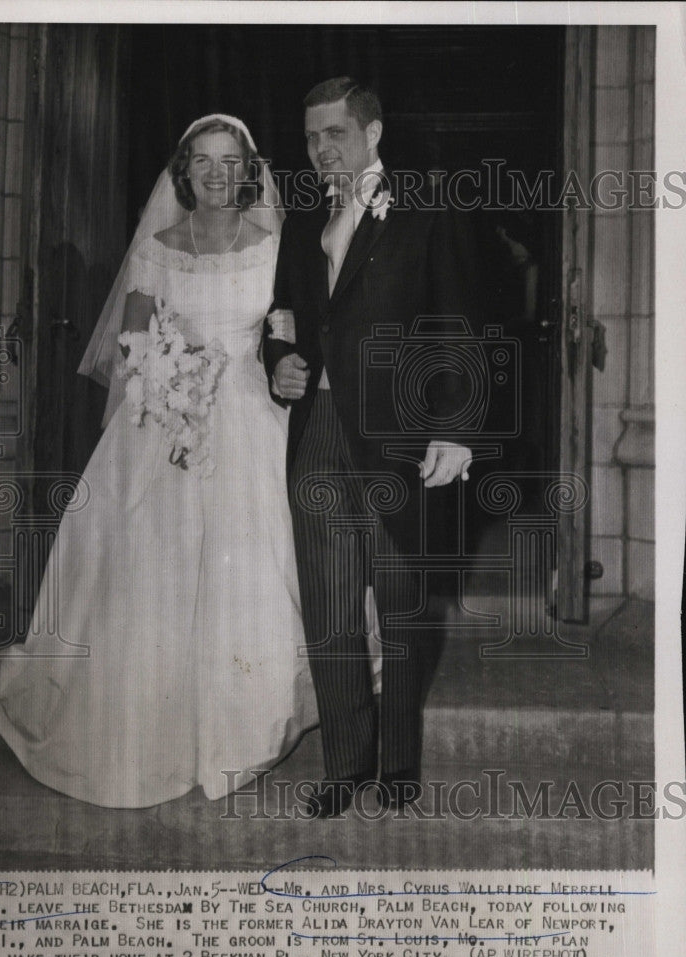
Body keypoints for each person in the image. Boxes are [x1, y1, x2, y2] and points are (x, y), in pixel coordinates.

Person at [0, 115, 316, 808]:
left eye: (229, 162)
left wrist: (278, 365)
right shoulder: (157, 247)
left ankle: (240, 724)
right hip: (162, 415)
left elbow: (286, 329)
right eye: (202, 162)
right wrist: (167, 381)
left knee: (248, 562)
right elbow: (132, 337)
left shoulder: (275, 244)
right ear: (182, 172)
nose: (216, 175)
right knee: (145, 566)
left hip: (248, 416)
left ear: (247, 169)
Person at [263, 78, 479, 817]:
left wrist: (455, 428)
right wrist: (276, 366)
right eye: (312, 137)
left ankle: (397, 765)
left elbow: (459, 321)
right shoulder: (302, 221)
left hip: (399, 437)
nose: (322, 150)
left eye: (335, 135)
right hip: (317, 432)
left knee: (399, 603)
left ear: (373, 134)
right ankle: (344, 766)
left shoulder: (427, 207)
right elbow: (283, 316)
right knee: (329, 610)